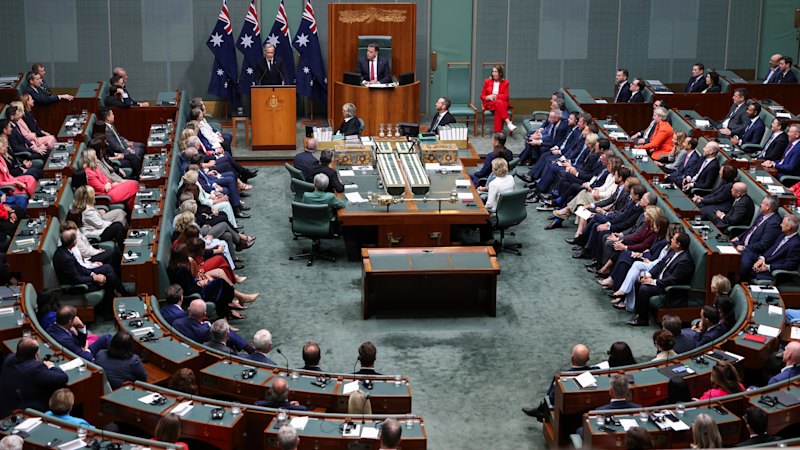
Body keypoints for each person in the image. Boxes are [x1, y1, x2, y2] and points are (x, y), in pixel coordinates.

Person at [629, 232, 695, 326]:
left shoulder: (685, 261)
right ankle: (639, 313)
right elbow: (660, 264)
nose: (671, 240)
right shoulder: (673, 251)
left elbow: (673, 280)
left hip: (669, 289)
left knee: (645, 288)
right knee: (639, 280)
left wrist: (653, 282)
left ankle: (643, 319)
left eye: (673, 239)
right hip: (660, 280)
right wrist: (648, 274)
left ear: (678, 244)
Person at [523, 344, 595, 420]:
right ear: (588, 358)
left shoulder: (561, 378)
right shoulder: (598, 372)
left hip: (567, 417)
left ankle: (541, 410)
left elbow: (551, 399)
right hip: (590, 410)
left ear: (572, 359)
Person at [0, 337, 68, 417]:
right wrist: (51, 366)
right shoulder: (36, 369)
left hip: (6, 406)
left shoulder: (9, 358)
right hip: (25, 412)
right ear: (36, 354)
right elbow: (63, 377)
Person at [53, 229, 127, 301]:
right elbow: (77, 279)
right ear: (74, 242)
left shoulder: (63, 250)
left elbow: (79, 267)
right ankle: (119, 299)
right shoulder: (67, 258)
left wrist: (92, 274)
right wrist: (95, 278)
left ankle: (122, 294)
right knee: (106, 278)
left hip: (80, 276)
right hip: (76, 286)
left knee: (107, 268)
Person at [742, 215, 800, 282]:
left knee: (748, 270)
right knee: (746, 253)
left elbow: (789, 265)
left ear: (788, 227)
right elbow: (772, 248)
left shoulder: (796, 244)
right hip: (766, 261)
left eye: (783, 223)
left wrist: (768, 267)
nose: (780, 225)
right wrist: (762, 258)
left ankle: (738, 282)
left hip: (775, 271)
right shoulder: (783, 234)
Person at [46, 305, 112, 361]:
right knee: (107, 339)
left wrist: (81, 326)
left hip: (79, 350)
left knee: (106, 338)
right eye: (75, 317)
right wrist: (86, 349)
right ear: (70, 321)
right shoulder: (65, 339)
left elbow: (81, 343)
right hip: (82, 358)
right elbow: (86, 357)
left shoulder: (54, 327)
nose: (77, 318)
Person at [480, 65, 516, 133]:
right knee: (499, 104)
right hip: (490, 104)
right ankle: (508, 122)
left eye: (496, 72)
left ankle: (497, 134)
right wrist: (488, 97)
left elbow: (506, 96)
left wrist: (494, 96)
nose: (494, 73)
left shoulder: (505, 83)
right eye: (493, 71)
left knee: (498, 106)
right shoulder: (487, 81)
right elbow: (482, 96)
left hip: (501, 104)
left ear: (500, 73)